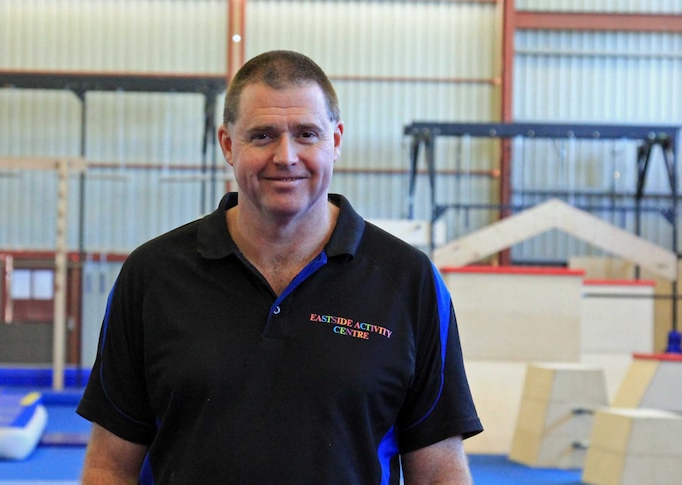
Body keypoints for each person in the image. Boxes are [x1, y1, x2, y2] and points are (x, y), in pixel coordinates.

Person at [77, 49, 483, 484]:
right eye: (263, 135)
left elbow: (440, 471)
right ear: (229, 145)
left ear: (336, 141)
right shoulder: (153, 277)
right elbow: (109, 466)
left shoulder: (408, 281)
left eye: (307, 134)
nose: (286, 156)